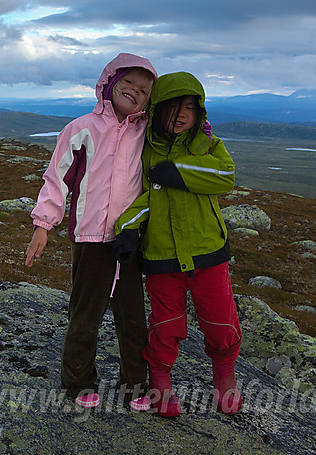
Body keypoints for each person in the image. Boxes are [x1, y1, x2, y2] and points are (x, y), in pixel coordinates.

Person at [25, 53, 157, 411]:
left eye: (144, 90)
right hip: (89, 239)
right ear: (110, 82)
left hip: (128, 238)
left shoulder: (145, 132)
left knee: (131, 315)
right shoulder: (81, 128)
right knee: (86, 313)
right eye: (129, 82)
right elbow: (57, 180)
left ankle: (136, 384)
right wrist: (43, 225)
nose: (135, 91)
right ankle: (78, 381)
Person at [113, 71, 242, 417]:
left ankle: (224, 379)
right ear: (157, 110)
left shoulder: (207, 146)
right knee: (166, 325)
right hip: (161, 258)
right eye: (173, 106)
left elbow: (225, 176)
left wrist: (178, 170)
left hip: (208, 254)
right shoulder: (144, 153)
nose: (182, 114)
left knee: (220, 321)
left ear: (200, 112)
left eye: (190, 107)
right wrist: (125, 229)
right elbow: (142, 198)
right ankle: (161, 382)